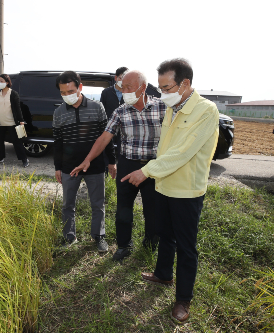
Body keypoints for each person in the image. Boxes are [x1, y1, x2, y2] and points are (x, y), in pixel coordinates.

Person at [121, 59, 219, 324]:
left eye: (167, 87)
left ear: (185, 83)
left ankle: (183, 300)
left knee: (187, 247)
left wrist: (146, 171)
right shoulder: (171, 107)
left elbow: (183, 152)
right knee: (165, 234)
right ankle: (163, 273)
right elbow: (165, 147)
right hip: (164, 184)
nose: (162, 93)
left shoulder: (206, 111)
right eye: (161, 87)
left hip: (186, 189)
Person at [71, 70, 167, 261]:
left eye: (129, 88)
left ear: (143, 88)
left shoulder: (162, 108)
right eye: (123, 88)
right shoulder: (120, 111)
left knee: (153, 209)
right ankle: (124, 245)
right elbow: (104, 138)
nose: (125, 91)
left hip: (153, 167)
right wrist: (88, 159)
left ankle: (150, 243)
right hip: (128, 165)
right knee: (124, 209)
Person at [53, 71, 109, 253]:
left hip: (95, 165)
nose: (67, 96)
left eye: (70, 91)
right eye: (63, 93)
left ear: (80, 87)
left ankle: (98, 236)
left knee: (98, 204)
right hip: (69, 167)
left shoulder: (97, 107)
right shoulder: (59, 113)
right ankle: (69, 237)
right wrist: (58, 167)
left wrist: (112, 162)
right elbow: (58, 143)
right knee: (68, 204)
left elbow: (106, 137)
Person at [0, 74, 29, 167]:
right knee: (0, 141)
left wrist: (21, 120)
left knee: (17, 142)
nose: (0, 83)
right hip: (0, 122)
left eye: (1, 81)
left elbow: (18, 109)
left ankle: (24, 159)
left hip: (11, 122)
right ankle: (0, 158)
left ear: (7, 82)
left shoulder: (13, 94)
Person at [100, 66, 128, 178]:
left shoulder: (129, 93)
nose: (123, 81)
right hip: (109, 127)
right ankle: (107, 174)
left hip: (124, 128)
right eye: (121, 78)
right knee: (107, 149)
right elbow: (102, 109)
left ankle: (121, 174)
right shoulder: (106, 92)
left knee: (122, 151)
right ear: (116, 78)